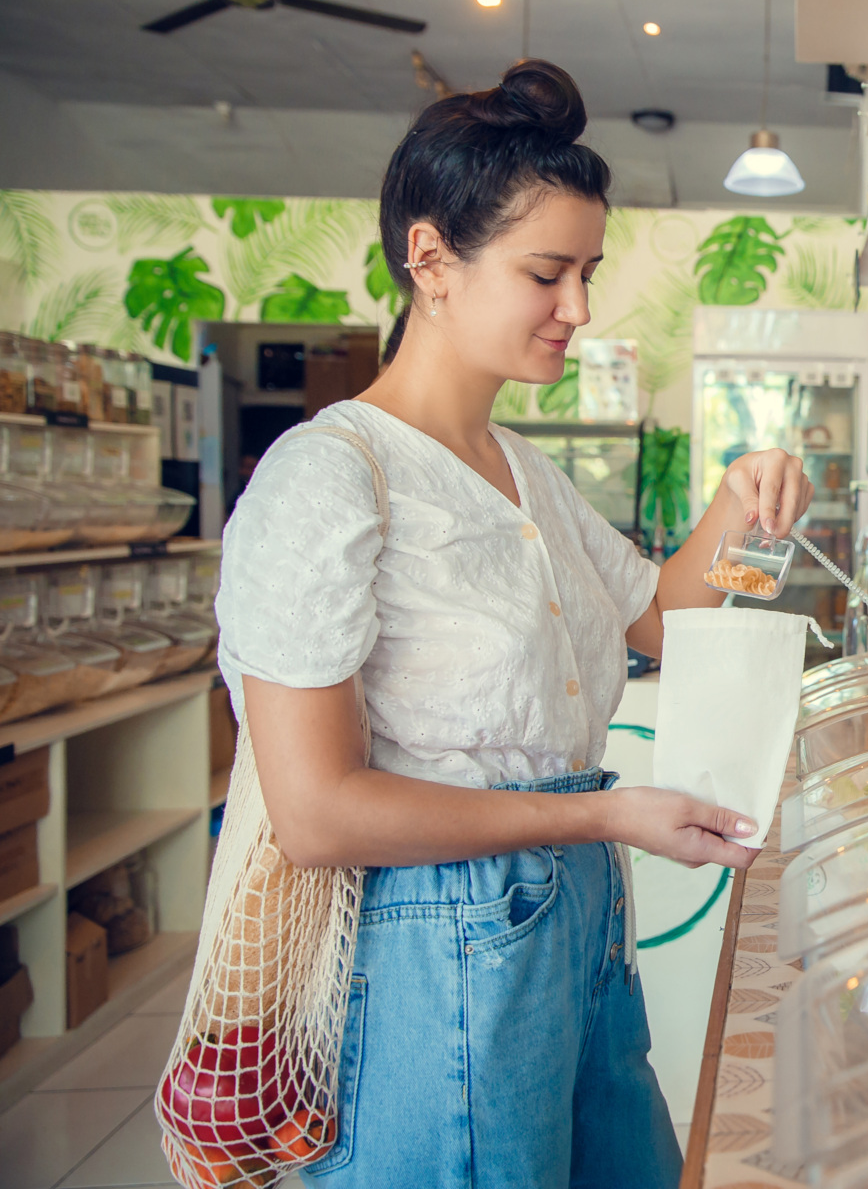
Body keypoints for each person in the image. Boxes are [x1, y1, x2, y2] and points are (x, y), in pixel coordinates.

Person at [215, 59, 814, 1188]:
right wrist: (603, 817)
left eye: (587, 272)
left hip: (573, 917)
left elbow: (665, 622)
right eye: (549, 272)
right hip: (435, 939)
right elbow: (316, 811)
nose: (579, 309)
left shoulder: (522, 471)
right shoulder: (327, 480)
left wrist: (750, 506)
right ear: (431, 260)